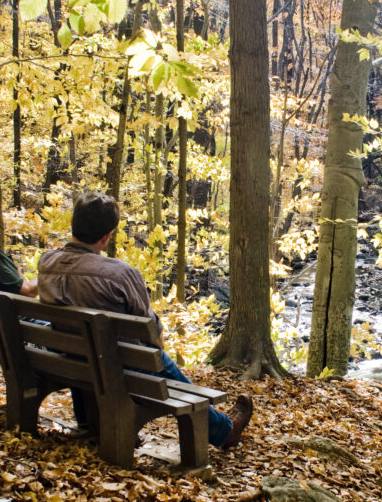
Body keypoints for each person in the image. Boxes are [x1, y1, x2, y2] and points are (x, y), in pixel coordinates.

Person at [37, 191, 253, 449]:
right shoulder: (119, 274)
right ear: (106, 236)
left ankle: (90, 423)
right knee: (156, 359)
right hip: (117, 369)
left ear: (74, 224)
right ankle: (223, 431)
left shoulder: (47, 263)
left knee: (88, 348)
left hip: (66, 360)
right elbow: (155, 337)